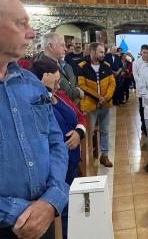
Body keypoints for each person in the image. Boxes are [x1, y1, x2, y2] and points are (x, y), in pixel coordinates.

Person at [0, 0, 68, 239]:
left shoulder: (30, 82)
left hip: (43, 216)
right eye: (21, 24)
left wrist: (52, 199)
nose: (31, 32)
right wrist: (19, 211)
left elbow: (54, 142)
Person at [30, 59, 87, 239]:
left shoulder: (60, 95)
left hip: (71, 163)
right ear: (44, 77)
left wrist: (79, 133)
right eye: (55, 81)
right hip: (53, 169)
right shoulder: (34, 101)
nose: (58, 85)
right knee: (59, 210)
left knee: (70, 207)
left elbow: (79, 117)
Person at [77, 43, 116, 167]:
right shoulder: (82, 66)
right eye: (101, 52)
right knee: (89, 133)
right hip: (90, 105)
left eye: (104, 52)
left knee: (104, 131)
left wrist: (106, 98)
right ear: (92, 52)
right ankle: (87, 159)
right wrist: (98, 97)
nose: (103, 54)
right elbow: (82, 85)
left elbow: (112, 83)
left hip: (105, 104)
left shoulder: (107, 65)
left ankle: (104, 156)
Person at [37, 32, 84, 103]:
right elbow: (57, 96)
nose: (66, 49)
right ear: (51, 46)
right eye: (62, 45)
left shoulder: (65, 64)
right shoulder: (42, 68)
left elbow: (74, 81)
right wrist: (78, 92)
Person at [132, 44, 148, 137]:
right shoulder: (136, 62)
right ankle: (143, 124)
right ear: (141, 52)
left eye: (147, 52)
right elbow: (136, 76)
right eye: (144, 52)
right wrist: (143, 84)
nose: (146, 54)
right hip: (141, 89)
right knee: (142, 108)